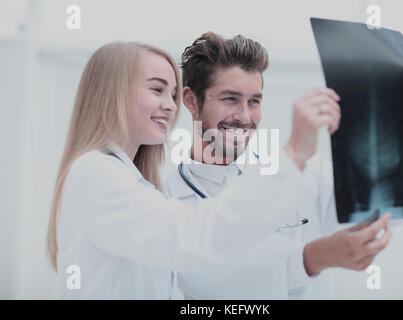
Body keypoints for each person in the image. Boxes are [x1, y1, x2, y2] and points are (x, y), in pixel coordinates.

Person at [165, 32, 403, 299]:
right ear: (191, 100)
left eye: (254, 101)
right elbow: (211, 278)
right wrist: (314, 256)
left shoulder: (306, 175)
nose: (243, 116)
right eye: (230, 99)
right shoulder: (165, 199)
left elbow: (401, 199)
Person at [46, 41, 333, 299]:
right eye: (157, 89)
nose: (170, 106)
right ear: (114, 94)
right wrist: (294, 153)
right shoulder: (97, 174)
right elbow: (194, 236)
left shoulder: (137, 184)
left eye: (171, 95)